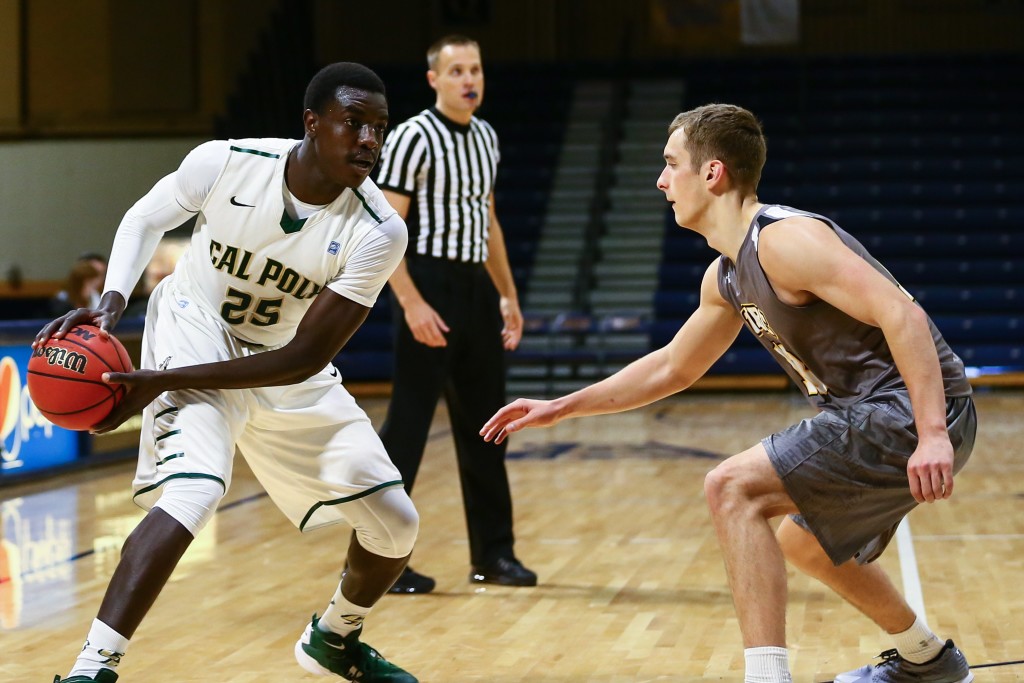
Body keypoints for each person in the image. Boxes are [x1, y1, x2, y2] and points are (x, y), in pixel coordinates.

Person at [481, 104, 977, 683]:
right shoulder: (726, 274)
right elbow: (672, 367)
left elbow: (903, 314)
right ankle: (929, 660)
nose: (662, 181)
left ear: (712, 173)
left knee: (732, 488)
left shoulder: (785, 241)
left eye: (671, 164)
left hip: (907, 409)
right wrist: (560, 407)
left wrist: (932, 433)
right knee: (804, 545)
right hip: (877, 413)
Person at [37, 62, 420, 683]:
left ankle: (335, 638)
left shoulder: (379, 231)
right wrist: (112, 304)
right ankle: (91, 669)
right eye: (354, 124)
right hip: (196, 323)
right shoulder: (227, 162)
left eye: (380, 128)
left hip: (283, 358)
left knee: (397, 523)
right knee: (195, 490)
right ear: (311, 123)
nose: (370, 141)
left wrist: (157, 384)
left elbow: (304, 358)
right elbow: (144, 218)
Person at [371, 34, 535, 594]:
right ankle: (380, 559)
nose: (470, 79)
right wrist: (411, 302)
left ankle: (495, 555)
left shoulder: (486, 137)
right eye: (458, 70)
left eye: (477, 69)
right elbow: (385, 229)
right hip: (427, 282)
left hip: (475, 290)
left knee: (488, 426)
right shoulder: (414, 137)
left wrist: (507, 294)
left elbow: (488, 223)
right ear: (434, 79)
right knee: (409, 427)